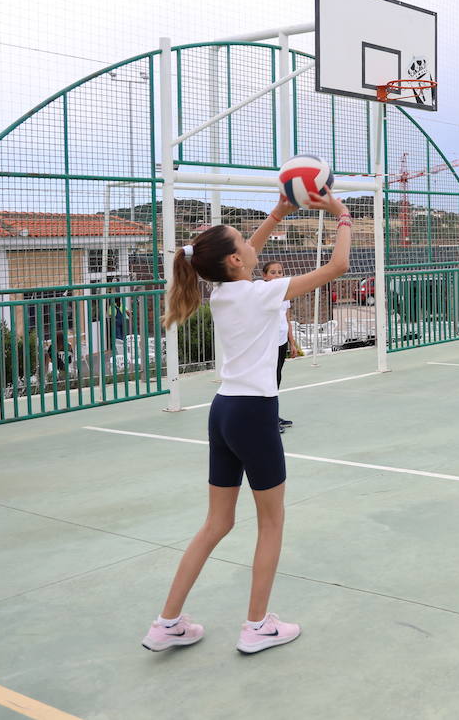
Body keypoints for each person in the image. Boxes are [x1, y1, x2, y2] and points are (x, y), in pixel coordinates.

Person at [144, 191, 351, 655]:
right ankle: (257, 626)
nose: (251, 244)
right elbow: (337, 267)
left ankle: (167, 622)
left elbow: (239, 256)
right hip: (254, 414)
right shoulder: (261, 293)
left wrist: (277, 213)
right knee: (271, 522)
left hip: (222, 411)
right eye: (243, 240)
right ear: (236, 260)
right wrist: (342, 216)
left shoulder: (221, 291)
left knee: (216, 523)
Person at [260, 261, 301, 432]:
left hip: (281, 342)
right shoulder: (262, 293)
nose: (277, 275)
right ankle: (265, 420)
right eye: (273, 272)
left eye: (279, 272)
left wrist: (292, 343)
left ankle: (272, 416)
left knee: (276, 379)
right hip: (267, 344)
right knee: (267, 381)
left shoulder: (285, 294)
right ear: (264, 276)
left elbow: (287, 320)